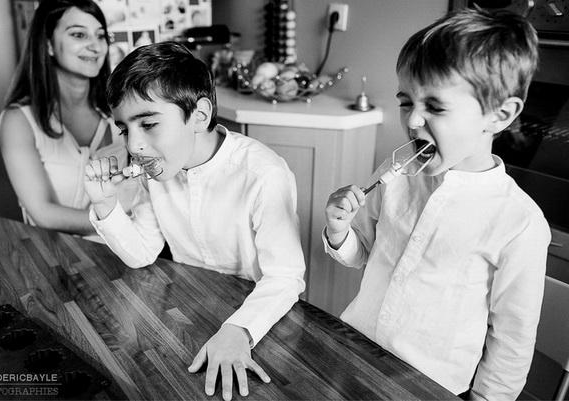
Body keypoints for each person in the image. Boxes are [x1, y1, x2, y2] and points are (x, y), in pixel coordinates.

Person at [323, 7, 550, 401]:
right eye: (406, 101)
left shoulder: (520, 222)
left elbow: (512, 339)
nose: (412, 121)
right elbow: (362, 254)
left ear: (500, 114)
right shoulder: (395, 174)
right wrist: (340, 230)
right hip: (353, 352)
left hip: (430, 388)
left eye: (436, 107)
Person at [83, 42, 306, 401]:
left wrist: (239, 330)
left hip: (259, 323)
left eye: (149, 124)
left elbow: (285, 277)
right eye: (125, 129)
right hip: (189, 311)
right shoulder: (156, 172)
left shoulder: (262, 174)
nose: (135, 145)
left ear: (199, 115)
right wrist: (107, 206)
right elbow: (142, 253)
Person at [0, 0, 134, 239]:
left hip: (130, 249)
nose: (95, 46)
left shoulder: (118, 108)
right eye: (79, 34)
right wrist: (118, 223)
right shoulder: (18, 120)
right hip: (58, 260)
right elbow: (43, 213)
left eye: (100, 35)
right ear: (49, 44)